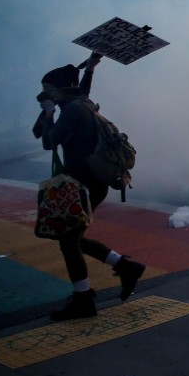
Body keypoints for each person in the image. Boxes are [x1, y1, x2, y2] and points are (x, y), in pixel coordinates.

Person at [32, 52, 145, 320]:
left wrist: (48, 113)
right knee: (71, 239)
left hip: (82, 184)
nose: (46, 94)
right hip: (87, 183)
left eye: (48, 90)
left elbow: (49, 142)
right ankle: (124, 268)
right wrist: (91, 69)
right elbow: (82, 90)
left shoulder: (72, 109)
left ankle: (83, 299)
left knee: (69, 241)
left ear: (60, 89)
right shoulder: (80, 102)